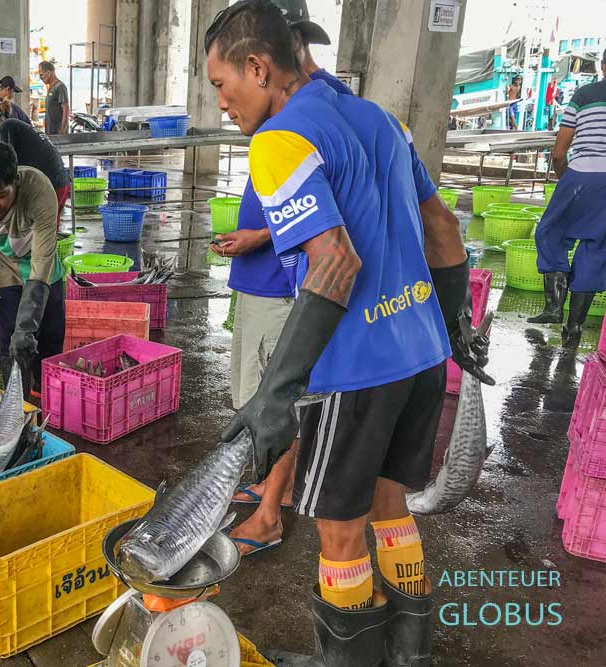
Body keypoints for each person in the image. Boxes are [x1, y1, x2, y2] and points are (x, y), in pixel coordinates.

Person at [205, 3, 492, 665]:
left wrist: (276, 391)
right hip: (421, 351)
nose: (222, 102)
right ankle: (408, 652)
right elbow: (443, 230)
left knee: (340, 532)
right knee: (392, 505)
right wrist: (456, 327)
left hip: (355, 365)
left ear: (258, 67)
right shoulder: (378, 119)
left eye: (223, 85)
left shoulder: (277, 141)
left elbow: (334, 258)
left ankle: (347, 659)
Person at [220, 0, 352, 557]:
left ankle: (271, 511)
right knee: (259, 393)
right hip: (265, 277)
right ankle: (276, 489)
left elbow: (334, 242)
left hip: (288, 285)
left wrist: (261, 239)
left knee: (277, 397)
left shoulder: (311, 116)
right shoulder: (283, 121)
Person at [0, 141, 66, 397]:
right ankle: (18, 402)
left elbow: (42, 261)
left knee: (49, 335)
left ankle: (48, 397)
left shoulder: (38, 189)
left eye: (0, 195)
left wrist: (27, 326)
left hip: (42, 264)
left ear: (15, 181)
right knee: (9, 342)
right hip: (3, 265)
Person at [528, 49, 606, 348]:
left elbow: (560, 151)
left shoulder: (584, 94)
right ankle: (574, 328)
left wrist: (566, 178)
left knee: (550, 232)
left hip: (581, 173)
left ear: (602, 65)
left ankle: (553, 308)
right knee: (597, 247)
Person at [0, 99, 71, 227]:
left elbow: (5, 169)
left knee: (36, 232)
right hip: (60, 183)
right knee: (47, 233)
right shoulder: (14, 126)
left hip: (51, 186)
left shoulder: (7, 128)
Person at [38, 61, 70, 135]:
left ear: (49, 72)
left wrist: (61, 132)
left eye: (41, 75)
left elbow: (66, 110)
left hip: (57, 133)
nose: (41, 78)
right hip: (50, 132)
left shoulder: (60, 87)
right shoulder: (51, 88)